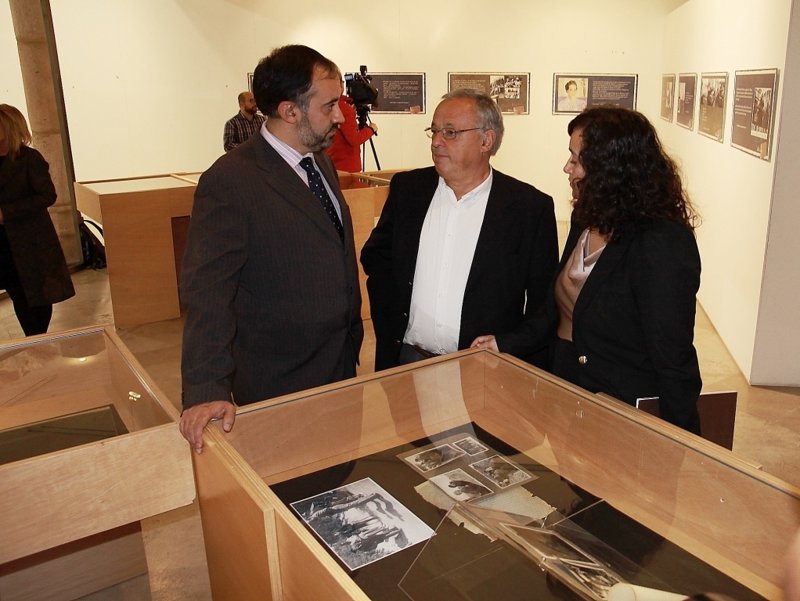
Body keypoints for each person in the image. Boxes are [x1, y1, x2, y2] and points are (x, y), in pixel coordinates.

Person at [180, 45, 363, 453]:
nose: (340, 117)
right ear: (290, 111)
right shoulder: (231, 180)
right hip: (279, 380)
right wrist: (207, 389)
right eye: (329, 105)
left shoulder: (320, 162)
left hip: (338, 364)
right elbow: (208, 292)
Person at [472, 107, 702, 431]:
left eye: (576, 160)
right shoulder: (585, 218)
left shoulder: (661, 242)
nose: (567, 168)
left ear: (611, 169)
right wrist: (504, 343)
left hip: (620, 415)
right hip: (566, 395)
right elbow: (558, 310)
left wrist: (684, 443)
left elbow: (672, 357)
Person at [361, 89, 558, 371]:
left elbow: (545, 305)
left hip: (484, 370)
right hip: (406, 361)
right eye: (434, 131)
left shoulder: (529, 208)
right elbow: (376, 256)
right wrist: (389, 320)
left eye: (450, 132)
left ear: (486, 141)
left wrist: (507, 344)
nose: (436, 142)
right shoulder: (408, 190)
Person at [0, 104, 74, 336]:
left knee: (35, 295)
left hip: (29, 240)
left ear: (10, 128)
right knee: (16, 291)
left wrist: (6, 212)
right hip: (3, 242)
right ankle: (34, 339)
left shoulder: (29, 159)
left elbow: (47, 195)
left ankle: (37, 339)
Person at [325, 94, 377, 172]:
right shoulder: (345, 109)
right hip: (346, 167)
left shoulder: (327, 105)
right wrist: (371, 129)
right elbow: (354, 139)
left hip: (332, 163)